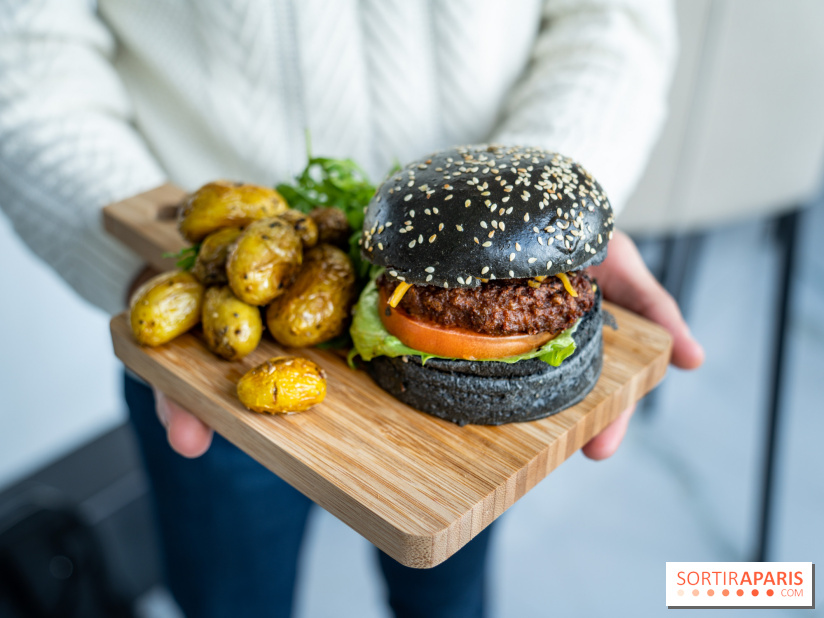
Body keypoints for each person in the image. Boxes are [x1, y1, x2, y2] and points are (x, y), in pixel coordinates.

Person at [0, 1, 703, 616]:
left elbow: (613, 19)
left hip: (507, 291)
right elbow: (23, 61)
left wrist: (538, 221)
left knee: (450, 596)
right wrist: (160, 273)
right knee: (229, 600)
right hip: (216, 334)